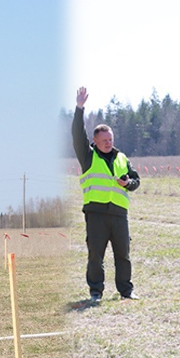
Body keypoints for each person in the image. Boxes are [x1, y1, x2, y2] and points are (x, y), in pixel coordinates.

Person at [73, 87, 140, 304]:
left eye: (110, 139)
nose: (108, 143)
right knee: (96, 256)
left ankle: (126, 291)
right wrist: (79, 109)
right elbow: (77, 135)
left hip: (119, 214)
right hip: (96, 214)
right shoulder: (88, 156)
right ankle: (96, 292)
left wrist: (128, 183)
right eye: (104, 140)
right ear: (95, 140)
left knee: (123, 255)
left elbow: (136, 181)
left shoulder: (122, 158)